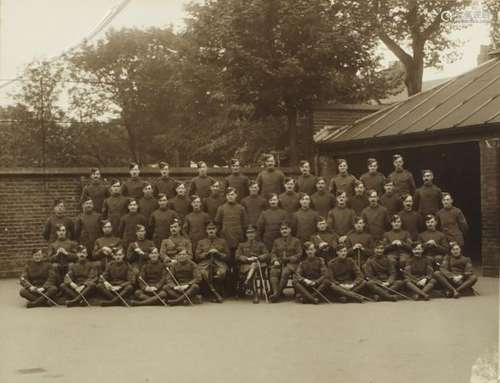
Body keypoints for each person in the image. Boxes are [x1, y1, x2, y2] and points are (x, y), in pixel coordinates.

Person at [269, 221, 303, 303]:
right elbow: (273, 252)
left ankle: (277, 294)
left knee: (285, 272)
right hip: (280, 262)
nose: (284, 231)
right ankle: (275, 292)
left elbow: (299, 253)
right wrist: (275, 260)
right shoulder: (277, 241)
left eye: (286, 229)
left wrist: (291, 258)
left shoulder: (296, 240)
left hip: (292, 263)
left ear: (290, 230)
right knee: (273, 271)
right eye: (282, 229)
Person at [195, 222, 229, 302]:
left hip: (219, 262)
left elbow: (227, 256)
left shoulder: (222, 241)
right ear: (206, 231)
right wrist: (206, 253)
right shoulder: (201, 242)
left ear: (216, 230)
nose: (211, 231)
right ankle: (213, 293)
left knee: (221, 273)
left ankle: (218, 292)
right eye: (209, 229)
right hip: (205, 263)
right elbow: (197, 256)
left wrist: (218, 253)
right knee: (203, 273)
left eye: (213, 229)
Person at [235, 225, 269, 303]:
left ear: (255, 234)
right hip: (245, 265)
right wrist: (247, 259)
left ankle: (249, 285)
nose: (250, 234)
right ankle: (254, 293)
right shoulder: (241, 245)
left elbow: (267, 254)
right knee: (252, 269)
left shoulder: (261, 244)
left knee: (254, 266)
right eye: (248, 233)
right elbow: (237, 256)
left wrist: (258, 258)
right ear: (246, 234)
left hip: (258, 265)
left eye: (252, 232)